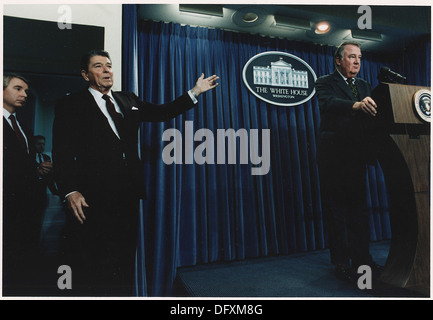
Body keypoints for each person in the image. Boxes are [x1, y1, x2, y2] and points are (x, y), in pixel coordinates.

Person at [52, 49, 219, 296]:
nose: (107, 70)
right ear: (85, 75)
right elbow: (61, 152)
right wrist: (70, 190)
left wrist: (194, 93)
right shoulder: (70, 103)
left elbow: (162, 112)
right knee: (94, 261)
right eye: (98, 66)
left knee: (123, 258)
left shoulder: (127, 99)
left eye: (108, 65)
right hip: (93, 197)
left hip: (128, 194)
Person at [315, 41, 384, 283]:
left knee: (359, 212)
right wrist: (356, 105)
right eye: (352, 57)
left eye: (359, 58)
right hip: (333, 158)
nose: (357, 62)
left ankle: (363, 259)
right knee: (337, 213)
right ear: (338, 60)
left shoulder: (365, 85)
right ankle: (342, 263)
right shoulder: (324, 82)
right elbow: (329, 104)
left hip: (356, 156)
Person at [3, 73, 39, 295]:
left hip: (22, 209)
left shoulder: (22, 125)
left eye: (26, 90)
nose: (24, 95)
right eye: (18, 89)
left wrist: (37, 170)